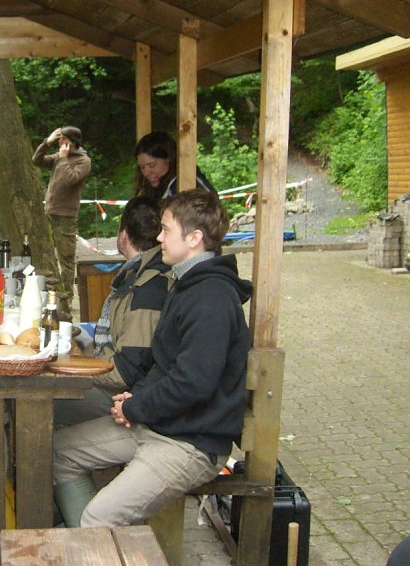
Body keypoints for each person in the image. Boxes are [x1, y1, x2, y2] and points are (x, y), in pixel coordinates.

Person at [53, 189, 252, 528]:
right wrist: (136, 399)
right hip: (161, 425)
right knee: (58, 452)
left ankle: (94, 539)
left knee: (99, 519)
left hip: (190, 443)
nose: (158, 237)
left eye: (166, 229)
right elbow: (163, 363)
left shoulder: (211, 299)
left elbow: (193, 383)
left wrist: (136, 407)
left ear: (194, 238)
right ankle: (91, 545)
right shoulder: (186, 285)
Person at [54, 197, 170, 426]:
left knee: (41, 402)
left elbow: (126, 371)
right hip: (121, 387)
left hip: (122, 395)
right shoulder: (136, 276)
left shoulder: (148, 287)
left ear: (124, 235)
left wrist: (73, 368)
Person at [32, 126, 91, 318]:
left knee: (66, 259)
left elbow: (69, 180)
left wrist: (64, 158)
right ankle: (48, 295)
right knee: (47, 253)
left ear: (71, 142)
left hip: (66, 216)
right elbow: (37, 161)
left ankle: (66, 301)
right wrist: (46, 142)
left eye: (62, 139)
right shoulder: (59, 156)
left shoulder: (83, 161)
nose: (59, 143)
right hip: (49, 212)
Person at [134, 131, 217, 202]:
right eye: (142, 167)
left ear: (168, 158)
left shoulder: (188, 182)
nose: (146, 173)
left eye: (152, 165)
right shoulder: (150, 190)